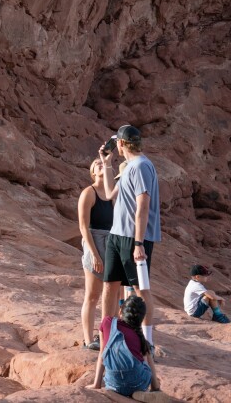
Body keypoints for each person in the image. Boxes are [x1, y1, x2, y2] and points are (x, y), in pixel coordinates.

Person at [99, 125, 161, 348]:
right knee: (109, 285)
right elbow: (108, 194)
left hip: (132, 238)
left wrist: (138, 242)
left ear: (123, 144)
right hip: (117, 234)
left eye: (117, 142)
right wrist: (106, 164)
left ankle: (147, 342)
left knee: (140, 289)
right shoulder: (128, 167)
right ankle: (107, 336)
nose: (116, 145)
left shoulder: (142, 166)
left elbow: (143, 204)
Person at [89, 296, 160, 396]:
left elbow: (102, 353)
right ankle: (155, 387)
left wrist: (97, 384)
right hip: (139, 384)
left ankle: (103, 385)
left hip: (114, 385)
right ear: (141, 318)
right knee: (146, 349)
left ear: (120, 311)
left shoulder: (107, 322)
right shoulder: (139, 336)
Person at [79, 159, 113, 350]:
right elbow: (83, 227)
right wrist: (94, 255)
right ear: (92, 171)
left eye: (104, 163)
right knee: (92, 294)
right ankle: (88, 339)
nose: (101, 164)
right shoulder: (88, 193)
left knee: (112, 294)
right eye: (96, 164)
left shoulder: (112, 193)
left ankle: (107, 336)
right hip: (94, 241)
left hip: (112, 242)